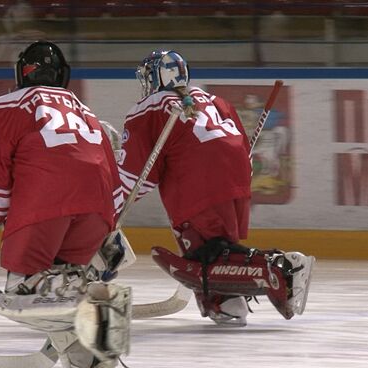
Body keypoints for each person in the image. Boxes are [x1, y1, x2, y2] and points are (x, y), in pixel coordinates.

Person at [0, 41, 130, 368]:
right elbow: (112, 181)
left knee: (26, 293)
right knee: (62, 286)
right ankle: (88, 357)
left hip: (45, 209)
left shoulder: (2, 107)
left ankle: (83, 326)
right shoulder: (88, 114)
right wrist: (111, 236)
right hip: (97, 214)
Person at [117, 50, 315, 326]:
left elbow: (137, 176)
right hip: (235, 180)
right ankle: (226, 305)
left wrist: (109, 208)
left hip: (198, 181)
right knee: (218, 249)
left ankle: (281, 268)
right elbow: (239, 146)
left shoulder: (148, 108)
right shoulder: (213, 100)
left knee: (203, 256)